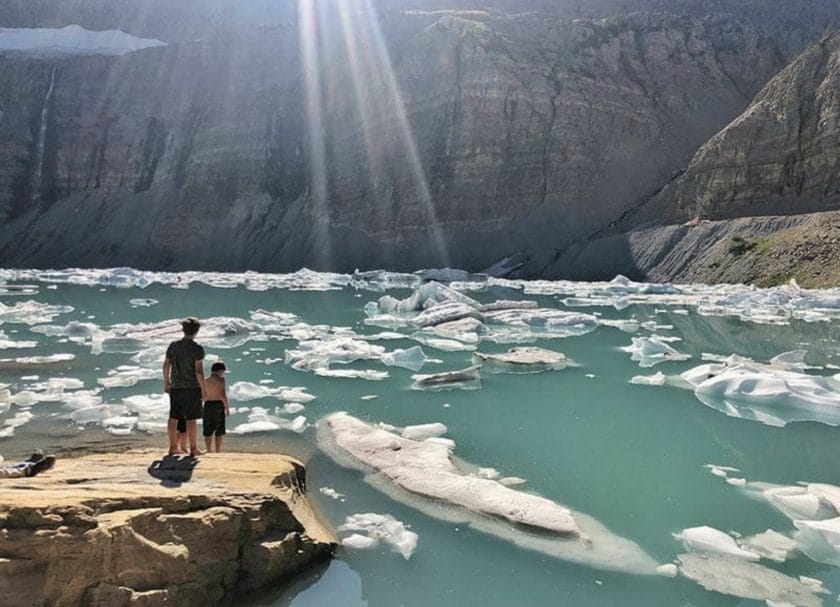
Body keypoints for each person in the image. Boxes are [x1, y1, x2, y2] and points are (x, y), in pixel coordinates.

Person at [163, 317, 207, 456]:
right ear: (197, 331)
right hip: (192, 387)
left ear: (183, 330)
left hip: (176, 386)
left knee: (173, 416)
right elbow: (199, 371)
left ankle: (173, 447)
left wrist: (166, 382)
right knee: (191, 418)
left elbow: (166, 366)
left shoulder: (173, 346)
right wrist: (204, 389)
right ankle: (193, 448)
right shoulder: (197, 349)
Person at [203, 361, 230, 453]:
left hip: (207, 405)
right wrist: (227, 408)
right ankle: (218, 450)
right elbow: (222, 395)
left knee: (207, 430)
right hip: (218, 405)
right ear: (220, 370)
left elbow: (202, 395)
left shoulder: (205, 380)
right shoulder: (221, 380)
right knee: (218, 431)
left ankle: (208, 450)